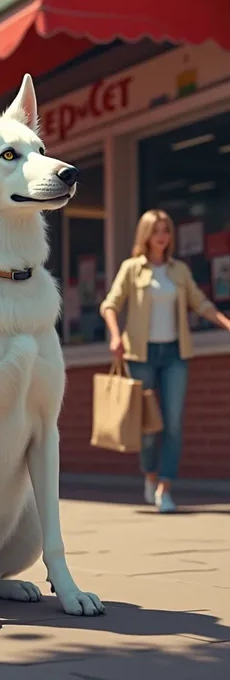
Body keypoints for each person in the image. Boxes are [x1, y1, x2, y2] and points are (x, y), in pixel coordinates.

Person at [100, 209, 230, 513]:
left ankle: (165, 488)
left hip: (174, 354)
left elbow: (200, 303)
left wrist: (224, 321)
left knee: (172, 424)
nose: (163, 236)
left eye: (167, 230)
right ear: (146, 235)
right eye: (157, 230)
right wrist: (115, 336)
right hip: (141, 355)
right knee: (147, 426)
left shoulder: (179, 271)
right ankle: (149, 475)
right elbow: (110, 304)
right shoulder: (132, 269)